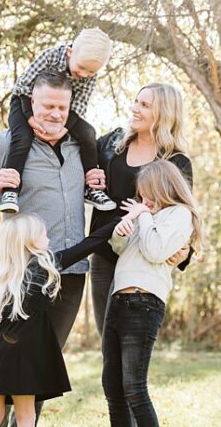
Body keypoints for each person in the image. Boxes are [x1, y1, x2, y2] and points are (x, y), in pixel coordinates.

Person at [0, 71, 106, 426]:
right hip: (23, 278)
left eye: (62, 107)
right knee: (7, 372)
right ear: (31, 104)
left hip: (70, 275)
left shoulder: (83, 147)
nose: (55, 114)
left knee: (38, 373)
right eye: (47, 106)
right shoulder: (6, 144)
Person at [0, 215, 119, 427]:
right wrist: (119, 220)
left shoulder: (5, 275)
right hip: (19, 351)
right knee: (26, 417)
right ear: (30, 241)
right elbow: (89, 244)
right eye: (43, 233)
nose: (48, 237)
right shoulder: (42, 266)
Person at [102, 159, 203, 427]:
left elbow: (155, 251)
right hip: (118, 301)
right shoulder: (145, 216)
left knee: (134, 387)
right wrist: (123, 229)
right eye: (141, 193)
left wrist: (143, 216)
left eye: (148, 192)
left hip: (143, 303)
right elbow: (121, 250)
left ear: (164, 188)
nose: (143, 199)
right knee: (112, 387)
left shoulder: (180, 214)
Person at [90, 82, 194, 336]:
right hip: (104, 254)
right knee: (107, 342)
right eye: (136, 102)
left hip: (142, 262)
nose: (135, 109)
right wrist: (89, 175)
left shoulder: (176, 162)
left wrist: (185, 251)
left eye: (145, 105)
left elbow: (183, 212)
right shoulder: (111, 146)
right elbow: (81, 163)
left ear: (164, 113)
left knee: (131, 344)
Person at [1, 29, 115, 213]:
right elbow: (22, 87)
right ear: (71, 52)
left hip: (63, 111)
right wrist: (30, 119)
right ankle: (11, 189)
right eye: (82, 68)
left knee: (88, 133)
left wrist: (63, 130)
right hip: (24, 101)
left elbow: (79, 106)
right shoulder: (51, 57)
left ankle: (92, 188)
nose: (85, 74)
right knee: (22, 137)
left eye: (91, 71)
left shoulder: (90, 75)